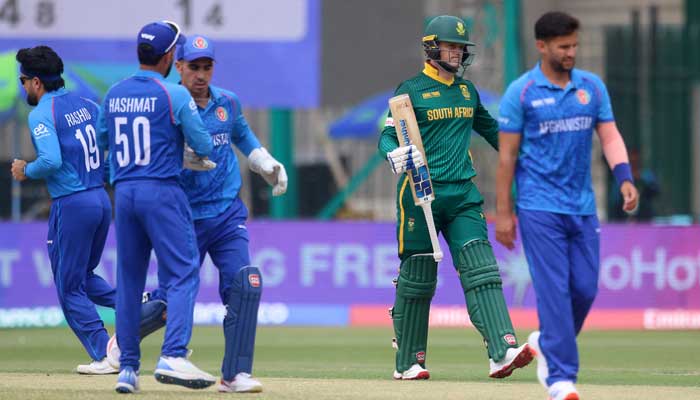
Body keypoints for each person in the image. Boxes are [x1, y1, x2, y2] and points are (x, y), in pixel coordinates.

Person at [105, 34, 288, 393]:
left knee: (244, 285)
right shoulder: (167, 102)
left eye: (207, 67)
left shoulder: (227, 103)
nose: (201, 76)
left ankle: (235, 375)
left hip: (226, 213)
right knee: (170, 295)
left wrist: (265, 162)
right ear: (179, 66)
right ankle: (124, 340)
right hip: (183, 213)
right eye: (194, 68)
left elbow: (243, 136)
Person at [377, 15, 534, 381]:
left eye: (461, 48)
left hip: (463, 194)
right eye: (451, 46)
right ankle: (409, 362)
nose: (458, 53)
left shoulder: (467, 92)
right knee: (418, 279)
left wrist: (525, 160)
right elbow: (388, 135)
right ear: (431, 49)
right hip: (419, 195)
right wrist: (393, 154)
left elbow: (494, 131)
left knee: (482, 270)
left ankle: (502, 350)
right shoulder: (410, 90)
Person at [495, 11, 639, 400]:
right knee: (554, 291)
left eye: (574, 45)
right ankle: (560, 378)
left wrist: (624, 177)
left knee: (586, 288)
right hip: (539, 208)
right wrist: (504, 213)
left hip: (582, 205)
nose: (571, 52)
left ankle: (546, 340)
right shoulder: (521, 92)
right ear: (542, 46)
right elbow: (506, 158)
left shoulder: (591, 88)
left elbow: (609, 137)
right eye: (563, 47)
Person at [95, 20, 216, 394]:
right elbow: (205, 146)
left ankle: (127, 368)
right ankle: (173, 354)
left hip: (125, 193)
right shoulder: (174, 96)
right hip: (162, 191)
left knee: (129, 282)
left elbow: (102, 143)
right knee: (182, 275)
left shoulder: (114, 94)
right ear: (168, 57)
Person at [11, 45, 117, 375]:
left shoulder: (41, 113)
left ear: (37, 83)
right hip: (100, 199)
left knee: (68, 286)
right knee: (83, 277)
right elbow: (107, 146)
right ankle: (140, 305)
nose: (23, 86)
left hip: (72, 204)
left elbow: (52, 161)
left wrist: (24, 170)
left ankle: (104, 353)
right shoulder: (86, 104)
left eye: (24, 80)